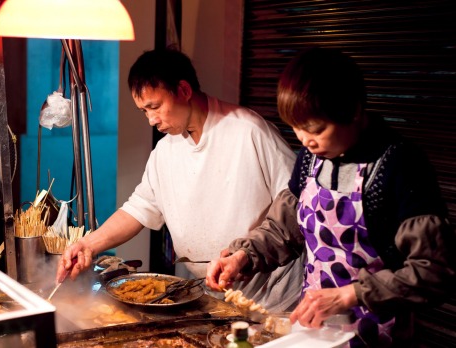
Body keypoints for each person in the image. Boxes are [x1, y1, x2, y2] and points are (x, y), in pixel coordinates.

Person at [205, 47, 455, 347]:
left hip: (378, 334)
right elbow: (283, 229)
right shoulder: (311, 158)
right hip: (315, 330)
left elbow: (434, 270)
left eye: (316, 129)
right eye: (296, 128)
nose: (304, 140)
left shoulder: (400, 165)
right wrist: (243, 256)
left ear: (353, 111)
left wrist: (351, 294)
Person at [57, 48, 305, 313]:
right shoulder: (165, 151)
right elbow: (139, 209)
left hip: (276, 299)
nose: (152, 119)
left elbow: (298, 204)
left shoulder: (249, 131)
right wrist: (87, 245)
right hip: (216, 296)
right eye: (143, 111)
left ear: (184, 90)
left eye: (155, 107)